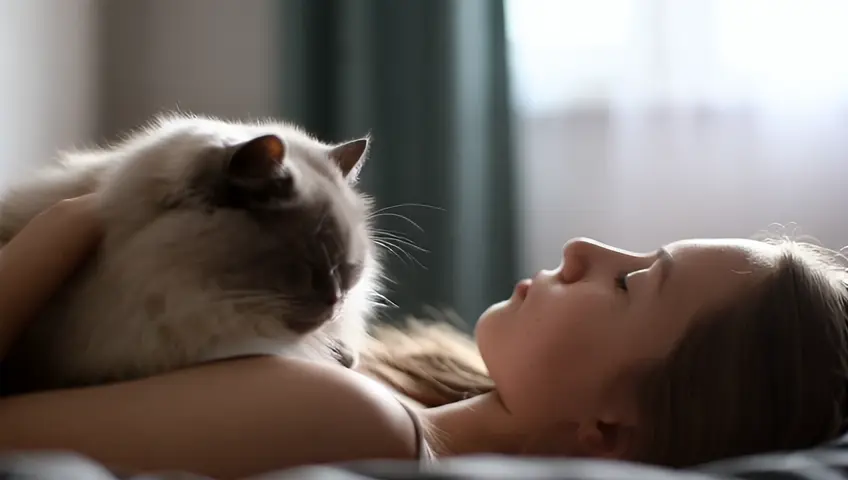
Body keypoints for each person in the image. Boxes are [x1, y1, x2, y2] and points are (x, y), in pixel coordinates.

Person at [1, 196, 848, 478]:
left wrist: (88, 213)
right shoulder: (383, 386)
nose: (584, 250)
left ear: (611, 430)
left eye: (633, 281)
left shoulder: (354, 421)